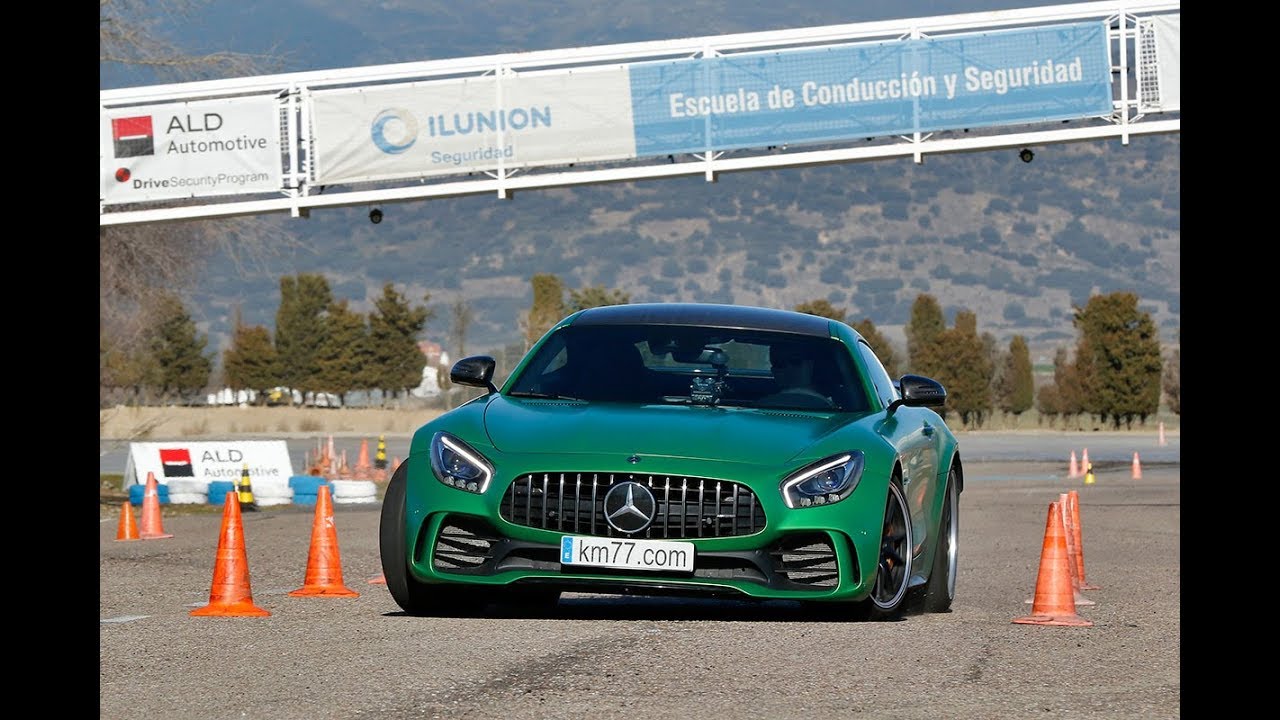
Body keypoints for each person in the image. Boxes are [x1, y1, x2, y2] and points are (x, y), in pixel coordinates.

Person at [758, 343, 832, 408]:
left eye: (795, 361)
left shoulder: (830, 408)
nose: (788, 368)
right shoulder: (761, 407)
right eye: (779, 364)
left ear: (810, 366)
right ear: (773, 371)